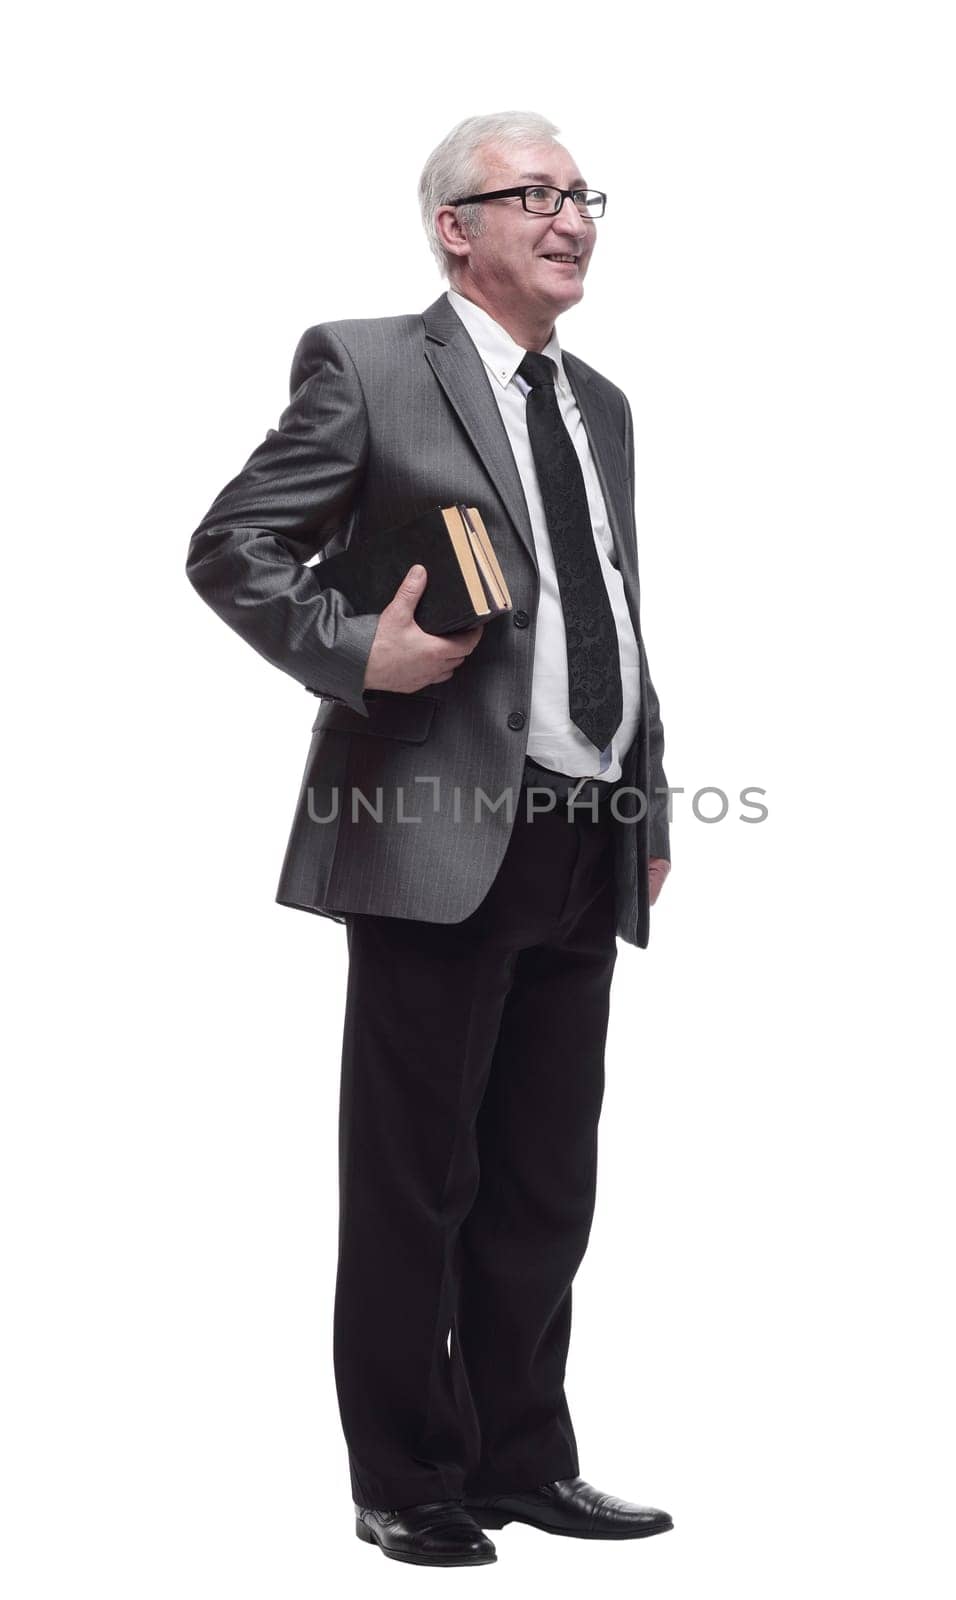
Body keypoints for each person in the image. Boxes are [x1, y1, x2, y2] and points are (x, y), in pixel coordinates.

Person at [186, 110, 673, 1569]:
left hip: (584, 822)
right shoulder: (368, 363)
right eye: (533, 193)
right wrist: (353, 651)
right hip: (434, 827)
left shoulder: (604, 403)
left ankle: (525, 1456)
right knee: (417, 1175)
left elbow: (620, 604)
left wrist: (647, 787)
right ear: (453, 226)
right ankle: (405, 1474)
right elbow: (233, 545)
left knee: (543, 1174)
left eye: (584, 193)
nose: (570, 216)